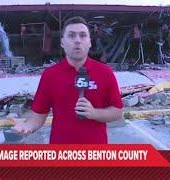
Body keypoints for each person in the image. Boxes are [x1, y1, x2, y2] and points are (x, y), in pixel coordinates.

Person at [12, 16, 123, 144]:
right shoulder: (50, 75)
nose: (77, 40)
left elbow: (117, 112)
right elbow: (38, 116)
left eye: (83, 35)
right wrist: (27, 126)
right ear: (62, 42)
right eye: (71, 35)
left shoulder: (105, 73)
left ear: (90, 42)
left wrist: (94, 113)